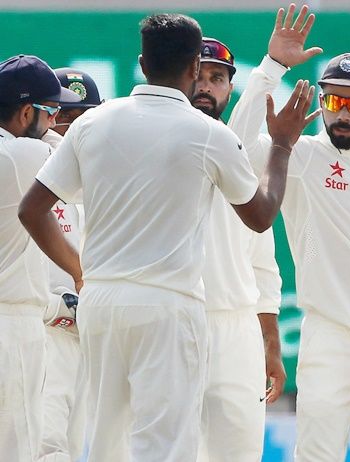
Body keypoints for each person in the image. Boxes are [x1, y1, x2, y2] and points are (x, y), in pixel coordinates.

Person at [18, 13, 319, 462]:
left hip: (103, 303)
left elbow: (31, 210)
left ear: (141, 61)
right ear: (193, 68)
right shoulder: (206, 134)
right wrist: (280, 148)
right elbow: (259, 216)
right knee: (164, 448)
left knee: (106, 443)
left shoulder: (92, 124)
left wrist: (81, 272)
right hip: (168, 305)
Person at [229, 5, 350, 460]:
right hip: (331, 336)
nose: (341, 115)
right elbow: (234, 146)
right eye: (333, 101)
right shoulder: (301, 158)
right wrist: (271, 68)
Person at [190, 37, 284, 462]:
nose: (206, 87)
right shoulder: (159, 143)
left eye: (217, 78)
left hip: (236, 328)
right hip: (178, 321)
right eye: (198, 76)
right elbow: (235, 134)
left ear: (231, 89)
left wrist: (270, 345)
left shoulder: (246, 155)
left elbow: (262, 264)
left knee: (240, 452)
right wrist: (273, 66)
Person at [0, 54, 80, 462]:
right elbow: (83, 167)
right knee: (19, 449)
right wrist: (81, 275)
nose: (54, 123)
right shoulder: (21, 157)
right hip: (9, 328)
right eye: (51, 112)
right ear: (26, 111)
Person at [37, 67, 102, 462]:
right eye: (65, 117)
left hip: (89, 339)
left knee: (74, 449)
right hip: (46, 330)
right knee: (47, 448)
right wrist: (53, 306)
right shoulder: (27, 169)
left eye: (83, 117)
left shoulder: (102, 177)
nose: (72, 128)